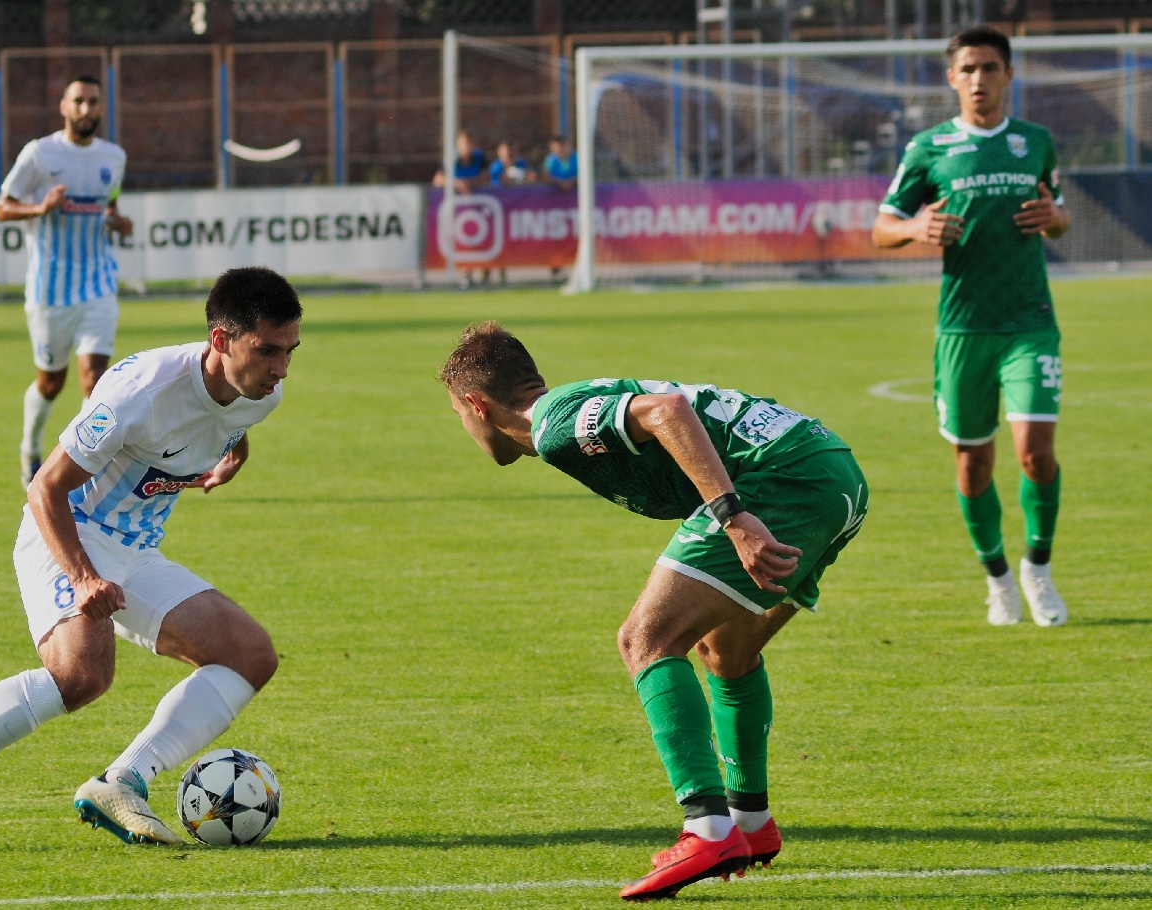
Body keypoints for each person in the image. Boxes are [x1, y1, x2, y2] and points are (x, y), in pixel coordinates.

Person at [0, 267, 302, 854]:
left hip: (135, 551)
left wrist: (233, 454)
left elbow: (226, 420)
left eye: (290, 351)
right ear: (221, 340)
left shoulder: (261, 394)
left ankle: (123, 781)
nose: (281, 368)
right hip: (70, 535)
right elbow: (45, 487)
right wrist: (84, 576)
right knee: (82, 676)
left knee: (249, 655)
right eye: (267, 351)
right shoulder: (139, 393)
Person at [438, 322, 868, 901]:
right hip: (832, 472)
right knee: (725, 652)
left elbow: (667, 411)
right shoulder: (572, 405)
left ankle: (707, 830)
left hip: (781, 479)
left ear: (476, 405)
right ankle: (749, 820)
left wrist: (733, 517)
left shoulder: (556, 423)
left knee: (645, 639)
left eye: (459, 416)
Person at [872, 27, 1069, 627]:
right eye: (968, 69)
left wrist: (1054, 217)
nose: (979, 79)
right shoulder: (929, 147)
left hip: (1030, 321)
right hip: (962, 329)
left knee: (1035, 456)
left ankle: (1038, 569)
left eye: (989, 67)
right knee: (972, 466)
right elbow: (882, 227)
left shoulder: (1036, 142)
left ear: (1008, 74)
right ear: (952, 78)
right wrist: (916, 228)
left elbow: (1059, 216)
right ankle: (998, 579)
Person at [0, 75, 133, 490]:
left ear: (101, 107)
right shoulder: (40, 153)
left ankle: (81, 468)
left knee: (95, 379)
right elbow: (2, 208)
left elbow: (110, 205)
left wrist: (117, 222)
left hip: (98, 284)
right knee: (51, 383)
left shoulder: (114, 157)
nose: (86, 109)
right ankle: (30, 447)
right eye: (78, 101)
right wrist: (40, 207)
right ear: (64, 106)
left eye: (93, 102)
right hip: (49, 289)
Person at [431, 129, 489, 193]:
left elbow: (486, 178)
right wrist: (457, 183)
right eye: (464, 143)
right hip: (455, 195)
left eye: (470, 143)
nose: (467, 146)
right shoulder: (451, 159)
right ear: (458, 144)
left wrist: (469, 183)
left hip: (476, 195)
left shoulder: (479, 157)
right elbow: (437, 180)